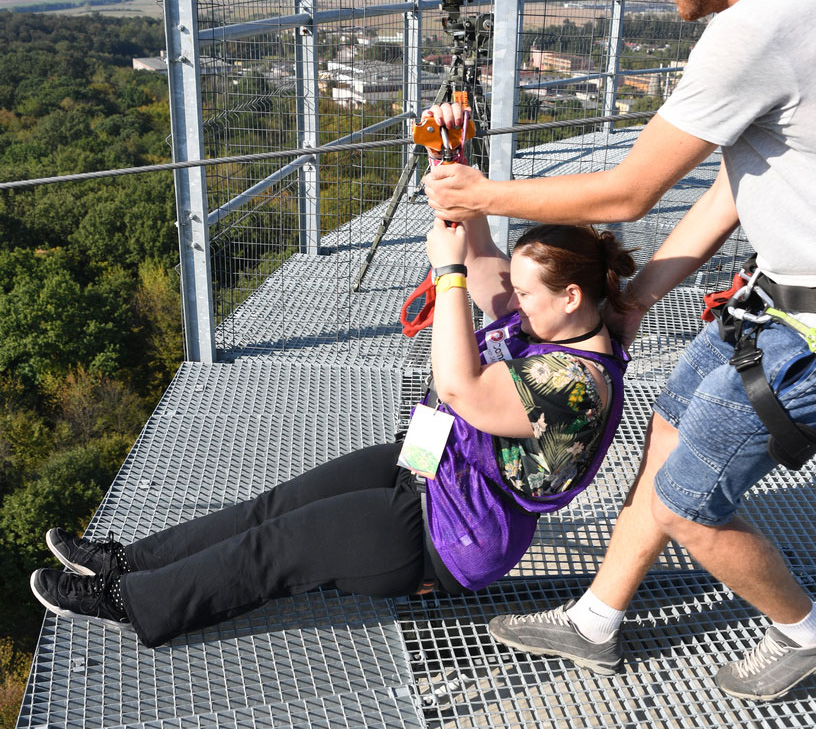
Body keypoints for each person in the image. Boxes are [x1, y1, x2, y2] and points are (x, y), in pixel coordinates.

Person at [424, 0, 816, 701]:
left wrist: (481, 192)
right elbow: (738, 183)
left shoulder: (752, 30)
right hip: (779, 298)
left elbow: (631, 191)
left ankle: (806, 632)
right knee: (667, 433)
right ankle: (596, 621)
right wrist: (638, 297)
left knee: (685, 503)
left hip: (807, 328)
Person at [29, 216, 633, 649]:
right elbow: (476, 250)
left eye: (524, 293)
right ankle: (129, 562)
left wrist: (447, 274)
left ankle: (132, 603)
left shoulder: (575, 386)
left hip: (448, 532)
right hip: (429, 462)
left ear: (570, 296)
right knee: (271, 507)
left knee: (273, 548)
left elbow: (460, 387)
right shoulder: (550, 322)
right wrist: (450, 162)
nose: (513, 303)